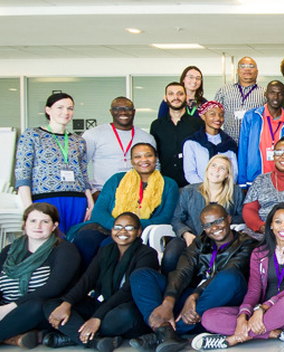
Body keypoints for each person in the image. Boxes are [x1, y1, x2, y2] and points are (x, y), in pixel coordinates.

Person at [128, 204, 255, 352]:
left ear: (228, 219)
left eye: (218, 221)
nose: (214, 228)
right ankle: (163, 328)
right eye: (207, 225)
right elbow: (183, 271)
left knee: (230, 277)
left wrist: (194, 296)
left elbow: (232, 269)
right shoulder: (200, 243)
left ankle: (169, 332)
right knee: (141, 275)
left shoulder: (247, 243)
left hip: (221, 298)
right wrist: (169, 301)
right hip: (192, 301)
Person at [193, 204, 284, 351]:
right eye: (278, 222)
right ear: (270, 225)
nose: (283, 227)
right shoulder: (259, 253)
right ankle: (275, 334)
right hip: (263, 312)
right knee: (208, 317)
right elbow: (254, 289)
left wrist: (263, 308)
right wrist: (243, 315)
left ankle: (234, 338)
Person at [41, 212, 156, 352]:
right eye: (118, 227)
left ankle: (75, 335)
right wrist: (67, 303)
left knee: (125, 315)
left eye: (129, 228)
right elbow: (87, 280)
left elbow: (127, 292)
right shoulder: (105, 251)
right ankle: (95, 341)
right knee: (53, 305)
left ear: (138, 232)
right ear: (112, 230)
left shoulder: (147, 254)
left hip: (127, 307)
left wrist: (97, 317)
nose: (122, 232)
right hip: (103, 304)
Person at [68, 143, 179, 265]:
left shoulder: (169, 184)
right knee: (85, 239)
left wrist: (130, 227)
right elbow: (99, 211)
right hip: (107, 226)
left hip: (140, 231)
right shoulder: (116, 179)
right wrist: (118, 227)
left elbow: (165, 217)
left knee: (109, 246)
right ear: (131, 161)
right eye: (137, 156)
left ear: (156, 159)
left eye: (149, 155)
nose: (143, 160)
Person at [0, 203, 81, 348]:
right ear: (25, 224)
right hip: (4, 307)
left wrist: (10, 307)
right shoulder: (9, 250)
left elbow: (54, 288)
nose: (38, 226)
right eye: (33, 221)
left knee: (38, 305)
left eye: (45, 221)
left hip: (38, 311)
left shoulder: (65, 249)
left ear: (54, 226)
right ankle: (14, 338)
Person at [14, 93, 94, 234]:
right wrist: (29, 209)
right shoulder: (32, 135)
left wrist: (90, 203)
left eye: (70, 108)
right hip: (45, 199)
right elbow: (22, 174)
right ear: (48, 110)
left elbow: (83, 173)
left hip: (76, 200)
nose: (66, 112)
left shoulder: (78, 140)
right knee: (50, 241)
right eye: (60, 107)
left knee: (74, 241)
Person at [165, 155, 244, 274]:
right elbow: (177, 219)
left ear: (227, 175)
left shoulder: (235, 192)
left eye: (222, 168)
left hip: (220, 239)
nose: (216, 170)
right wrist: (185, 234)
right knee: (171, 254)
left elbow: (242, 217)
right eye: (213, 165)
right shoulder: (189, 191)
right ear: (207, 169)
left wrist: (223, 222)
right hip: (191, 236)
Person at [82, 96, 156, 193]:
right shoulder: (93, 134)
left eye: (127, 109)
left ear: (134, 112)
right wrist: (91, 191)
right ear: (111, 111)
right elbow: (80, 165)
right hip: (103, 192)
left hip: (137, 193)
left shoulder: (146, 138)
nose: (123, 112)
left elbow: (155, 166)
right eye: (117, 108)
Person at [238, 80, 284, 186]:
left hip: (282, 181)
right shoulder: (251, 117)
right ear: (266, 94)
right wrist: (242, 182)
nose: (276, 97)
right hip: (255, 180)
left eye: (280, 94)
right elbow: (243, 149)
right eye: (272, 92)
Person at [152, 82, 203, 188]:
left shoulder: (198, 124)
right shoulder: (156, 125)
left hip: (192, 184)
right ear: (165, 98)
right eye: (171, 94)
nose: (176, 97)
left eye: (180, 94)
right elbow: (154, 154)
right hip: (164, 184)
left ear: (186, 97)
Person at [183, 101, 239, 184]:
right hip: (199, 189)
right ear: (203, 116)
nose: (218, 118)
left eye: (221, 115)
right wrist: (206, 188)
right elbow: (190, 173)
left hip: (224, 190)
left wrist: (222, 188)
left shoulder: (229, 143)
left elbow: (234, 172)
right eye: (212, 114)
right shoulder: (192, 143)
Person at [214, 56, 265, 143]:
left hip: (254, 143)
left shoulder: (264, 93)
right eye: (243, 66)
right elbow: (214, 114)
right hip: (228, 143)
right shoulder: (224, 90)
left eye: (251, 66)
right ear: (237, 71)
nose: (247, 69)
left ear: (257, 71)